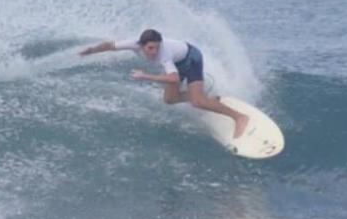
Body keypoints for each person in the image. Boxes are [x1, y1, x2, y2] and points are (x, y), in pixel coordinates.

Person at [79, 29, 249, 138]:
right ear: (141, 45)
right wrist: (92, 50)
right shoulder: (133, 44)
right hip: (177, 64)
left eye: (156, 47)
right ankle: (207, 97)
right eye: (150, 48)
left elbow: (173, 78)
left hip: (191, 58)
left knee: (198, 103)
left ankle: (239, 117)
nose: (154, 52)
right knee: (169, 100)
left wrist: (146, 76)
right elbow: (110, 45)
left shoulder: (164, 54)